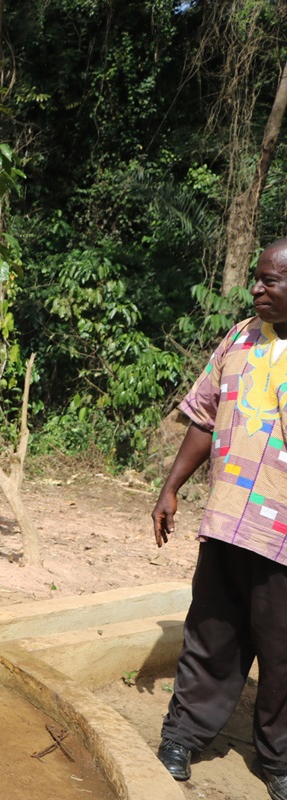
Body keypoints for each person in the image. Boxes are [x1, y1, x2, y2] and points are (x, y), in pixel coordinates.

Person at [151, 238, 287, 800]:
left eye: (271, 281)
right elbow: (204, 418)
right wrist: (171, 486)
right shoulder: (238, 338)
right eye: (257, 278)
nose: (257, 288)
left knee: (281, 651)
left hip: (282, 538)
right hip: (228, 519)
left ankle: (278, 759)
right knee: (210, 631)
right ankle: (183, 735)